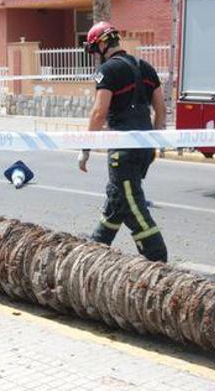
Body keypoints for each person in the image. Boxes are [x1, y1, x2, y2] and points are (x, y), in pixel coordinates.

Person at [78, 21, 168, 263]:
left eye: (95, 49)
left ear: (103, 45)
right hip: (144, 146)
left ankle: (157, 258)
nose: (95, 55)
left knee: (132, 206)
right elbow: (161, 109)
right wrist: (153, 141)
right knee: (117, 199)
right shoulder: (146, 67)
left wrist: (85, 149)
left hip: (123, 150)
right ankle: (96, 249)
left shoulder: (108, 71)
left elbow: (98, 112)